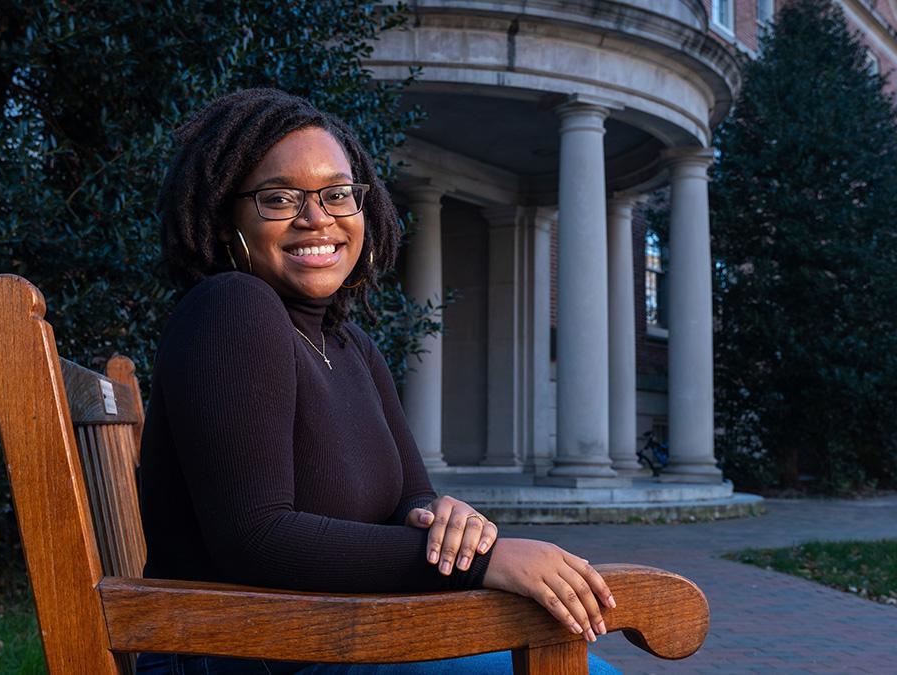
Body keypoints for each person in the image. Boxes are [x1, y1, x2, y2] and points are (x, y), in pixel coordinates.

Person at [136, 88, 622, 675]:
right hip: (251, 652)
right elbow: (255, 538)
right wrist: (485, 562)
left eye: (338, 194)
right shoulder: (230, 308)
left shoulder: (348, 344)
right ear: (225, 214)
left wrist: (448, 525)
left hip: (332, 637)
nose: (317, 218)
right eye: (279, 198)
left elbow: (409, 500)